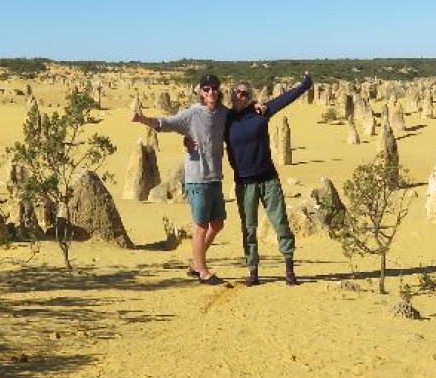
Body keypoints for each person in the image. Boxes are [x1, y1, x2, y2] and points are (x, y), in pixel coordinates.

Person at [131, 73, 229, 284]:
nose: (211, 92)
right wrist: (142, 119)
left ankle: (195, 262)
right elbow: (165, 123)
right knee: (201, 226)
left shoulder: (223, 113)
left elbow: (239, 120)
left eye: (214, 88)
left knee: (218, 223)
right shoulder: (193, 114)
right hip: (197, 178)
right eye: (206, 89)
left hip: (215, 177)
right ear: (200, 93)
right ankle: (202, 271)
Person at [224, 72, 313, 285]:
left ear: (250, 96)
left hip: (268, 179)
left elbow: (285, 99)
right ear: (232, 95)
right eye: (237, 92)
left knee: (280, 223)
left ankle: (290, 270)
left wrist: (306, 85)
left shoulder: (260, 113)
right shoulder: (225, 119)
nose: (241, 96)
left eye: (245, 94)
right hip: (244, 183)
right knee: (249, 228)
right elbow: (202, 121)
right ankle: (253, 272)